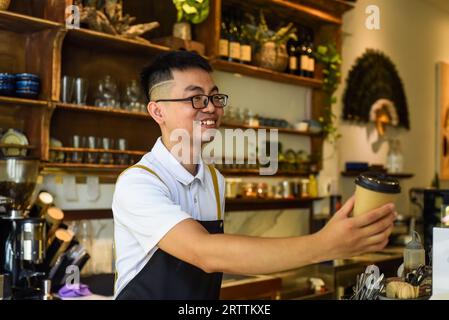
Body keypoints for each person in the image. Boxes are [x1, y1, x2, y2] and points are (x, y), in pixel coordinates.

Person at [112, 51, 397, 300]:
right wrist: (325, 244)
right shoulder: (138, 183)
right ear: (157, 111)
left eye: (214, 97)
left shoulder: (213, 179)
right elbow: (206, 253)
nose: (211, 107)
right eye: (196, 98)